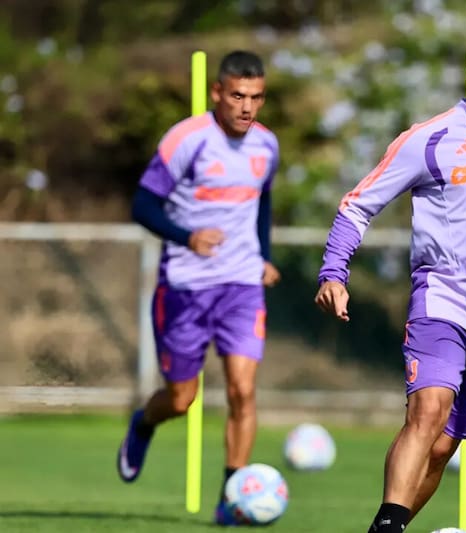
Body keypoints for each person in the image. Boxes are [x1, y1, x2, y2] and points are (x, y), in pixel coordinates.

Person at [315, 32, 466, 533]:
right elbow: (358, 204)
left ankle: (388, 526)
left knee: (443, 445)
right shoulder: (431, 138)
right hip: (444, 300)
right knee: (427, 411)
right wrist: (334, 271)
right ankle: (387, 527)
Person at [116, 50, 281, 525]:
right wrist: (187, 237)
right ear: (217, 93)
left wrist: (264, 256)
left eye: (256, 98)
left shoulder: (266, 146)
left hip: (242, 285)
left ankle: (232, 499)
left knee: (242, 391)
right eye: (237, 96)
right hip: (185, 286)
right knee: (182, 399)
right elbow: (143, 206)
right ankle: (145, 422)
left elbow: (262, 202)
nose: (247, 107)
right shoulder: (186, 140)